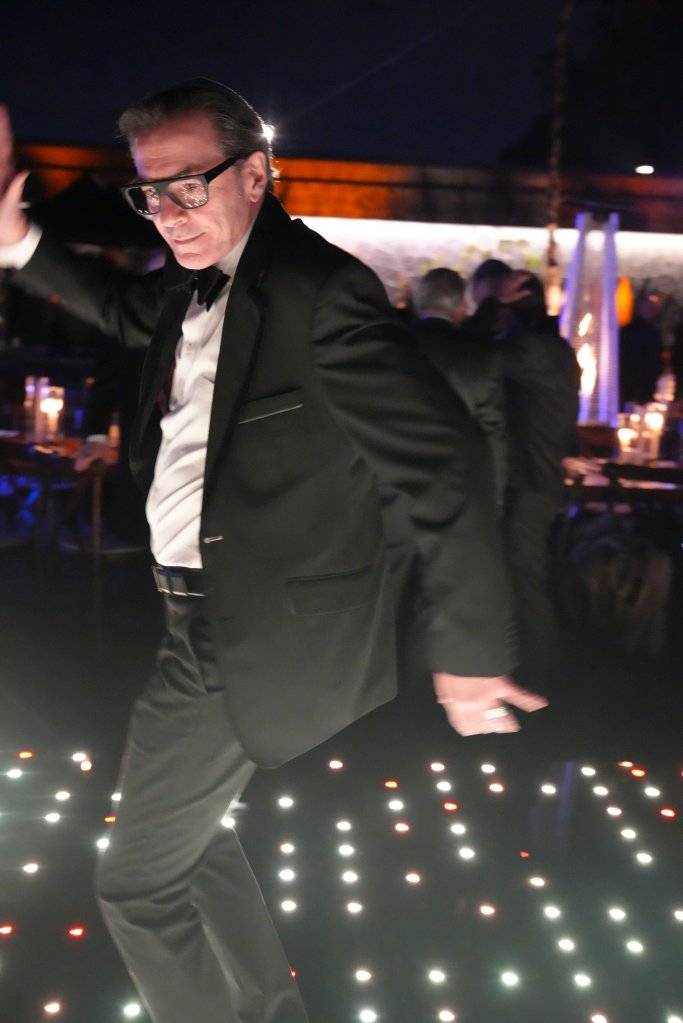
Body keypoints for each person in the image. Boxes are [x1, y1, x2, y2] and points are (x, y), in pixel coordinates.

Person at [0, 82, 547, 1023]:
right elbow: (125, 308)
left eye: (189, 186)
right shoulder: (193, 278)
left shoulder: (317, 288)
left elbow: (445, 457)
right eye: (150, 193)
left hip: (246, 626)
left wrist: (467, 650)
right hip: (188, 615)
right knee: (194, 838)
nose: (168, 213)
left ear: (255, 175)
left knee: (136, 885)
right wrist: (15, 243)